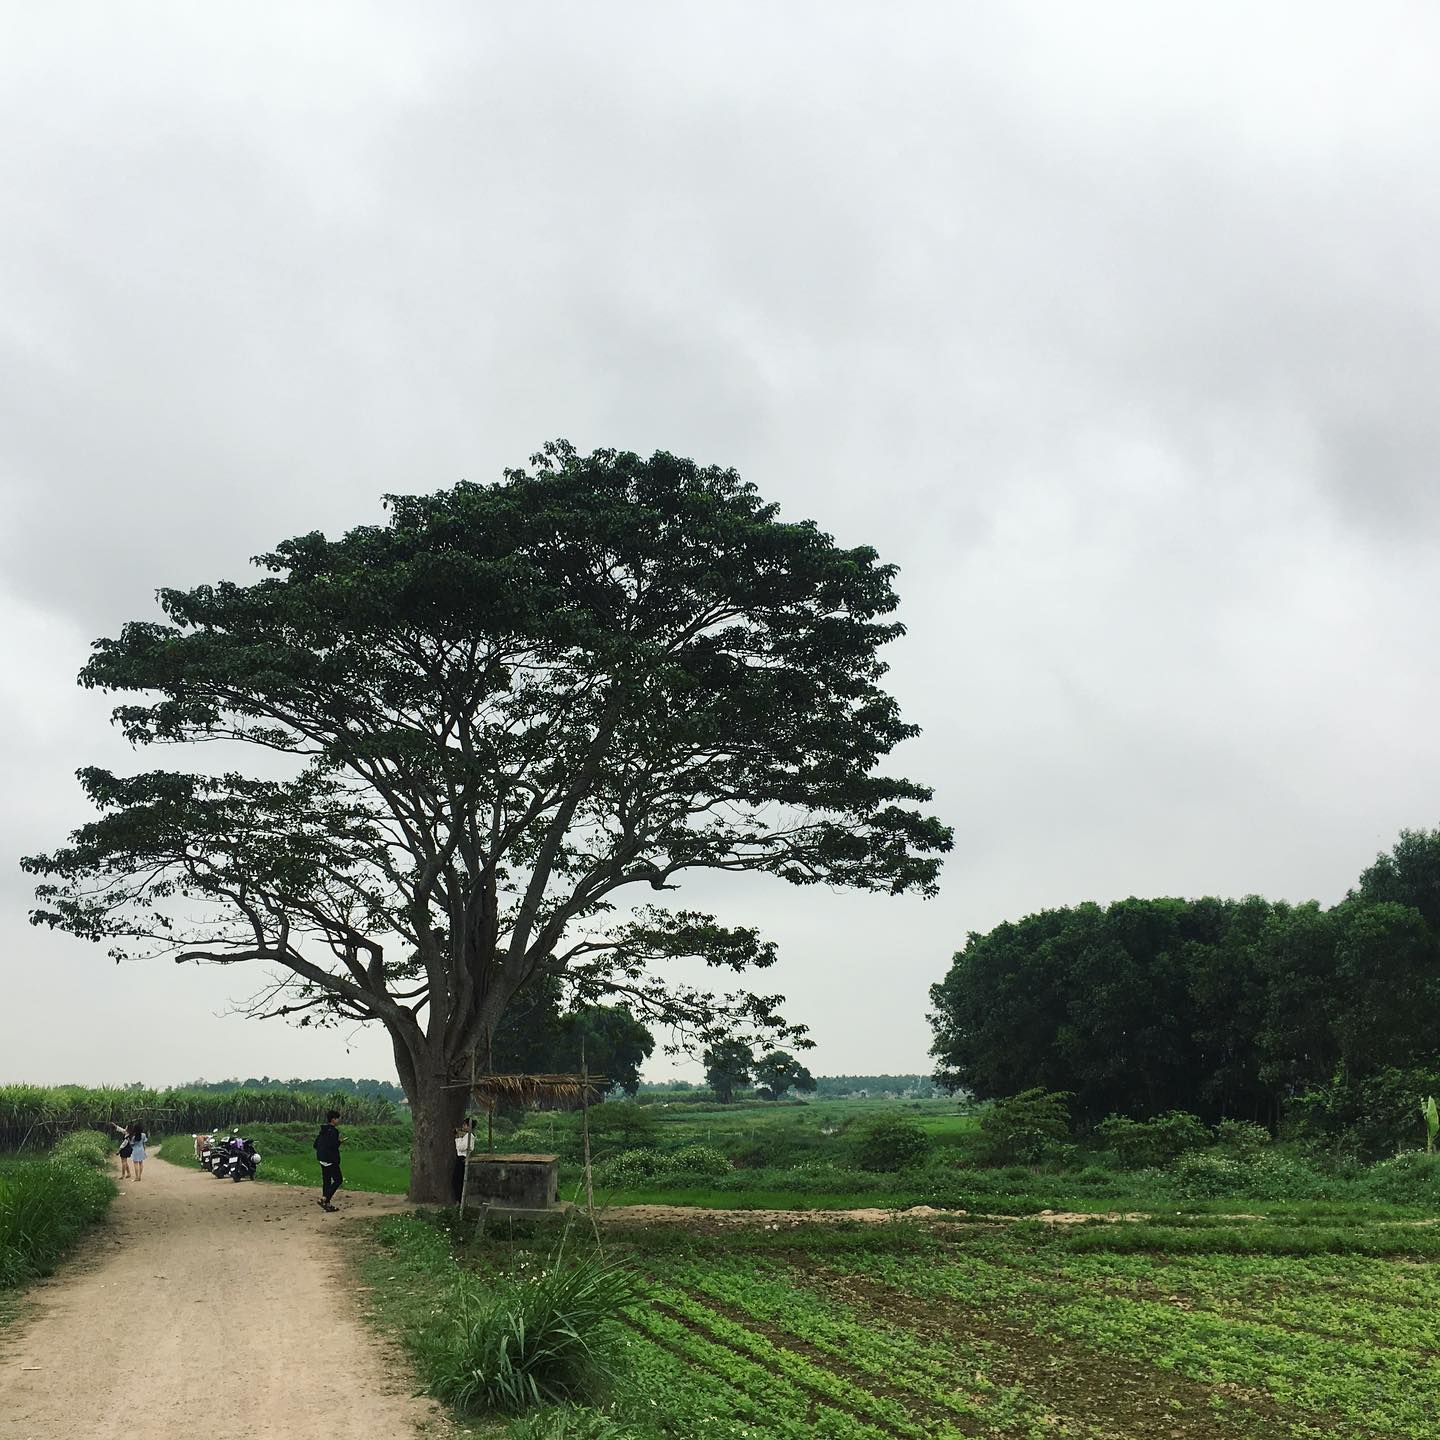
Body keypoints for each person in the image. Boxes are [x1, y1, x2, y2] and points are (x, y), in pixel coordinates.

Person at [313, 1109, 343, 1211]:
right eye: (337, 1119)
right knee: (338, 1180)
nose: (338, 1121)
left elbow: (315, 1145)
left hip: (322, 1159)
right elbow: (332, 1146)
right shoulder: (334, 1131)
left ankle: (327, 1204)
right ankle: (325, 1198)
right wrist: (339, 1142)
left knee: (326, 1181)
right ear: (333, 1119)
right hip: (331, 1160)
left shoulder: (323, 1130)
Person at [452, 1117, 476, 1203]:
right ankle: (459, 1199)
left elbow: (461, 1147)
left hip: (463, 1158)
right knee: (456, 1180)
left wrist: (457, 1138)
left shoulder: (470, 1136)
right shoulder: (465, 1136)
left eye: (465, 1125)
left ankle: (460, 1200)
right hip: (460, 1158)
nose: (463, 1126)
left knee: (458, 1180)